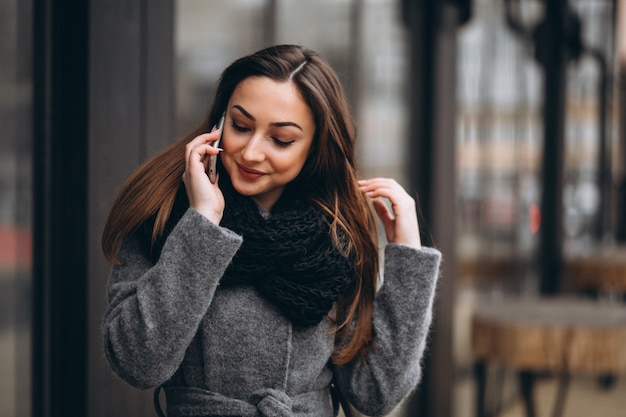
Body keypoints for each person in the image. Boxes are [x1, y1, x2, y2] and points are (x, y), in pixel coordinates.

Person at [101, 44, 441, 417]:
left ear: (314, 148)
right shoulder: (163, 213)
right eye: (241, 126)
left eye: (281, 139)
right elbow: (139, 363)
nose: (250, 153)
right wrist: (202, 223)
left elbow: (375, 393)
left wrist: (409, 256)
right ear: (219, 120)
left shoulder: (335, 237)